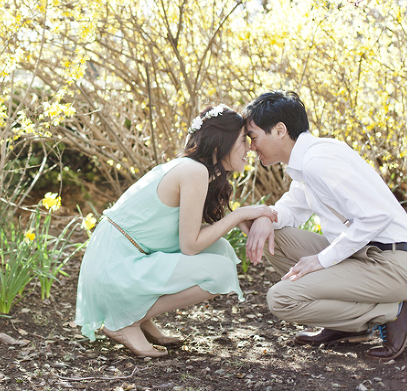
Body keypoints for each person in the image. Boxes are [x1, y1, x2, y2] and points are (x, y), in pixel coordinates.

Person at [74, 105, 278, 358]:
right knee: (220, 271)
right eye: (242, 140)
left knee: (221, 249)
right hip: (115, 265)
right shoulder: (194, 171)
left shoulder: (193, 169)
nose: (250, 148)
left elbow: (182, 236)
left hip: (118, 259)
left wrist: (235, 220)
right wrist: (239, 215)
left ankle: (141, 317)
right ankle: (126, 321)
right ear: (220, 143)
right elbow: (190, 245)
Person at [243, 91, 407, 361]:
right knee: (274, 238)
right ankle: (345, 326)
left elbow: (375, 216)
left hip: (392, 264)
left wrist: (322, 259)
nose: (251, 147)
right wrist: (264, 217)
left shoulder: (320, 161)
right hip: (363, 255)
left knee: (281, 299)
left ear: (280, 130)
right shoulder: (306, 163)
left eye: (254, 137)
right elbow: (291, 208)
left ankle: (396, 312)